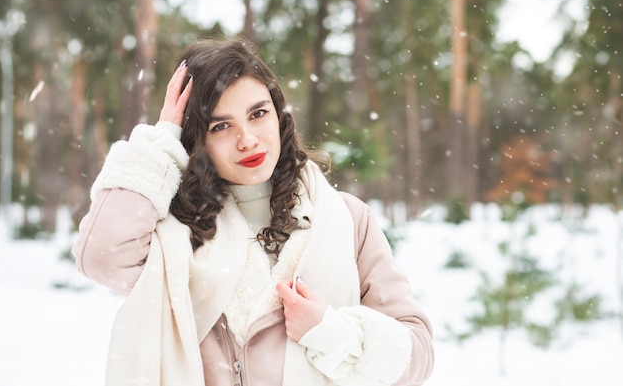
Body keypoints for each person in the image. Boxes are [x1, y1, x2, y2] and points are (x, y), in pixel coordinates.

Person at [72, 37, 434, 386]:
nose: (247, 139)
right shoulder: (177, 231)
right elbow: (101, 256)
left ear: (278, 115)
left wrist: (333, 334)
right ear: (197, 139)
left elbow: (417, 355)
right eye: (221, 125)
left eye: (258, 113)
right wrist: (164, 137)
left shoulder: (346, 220)